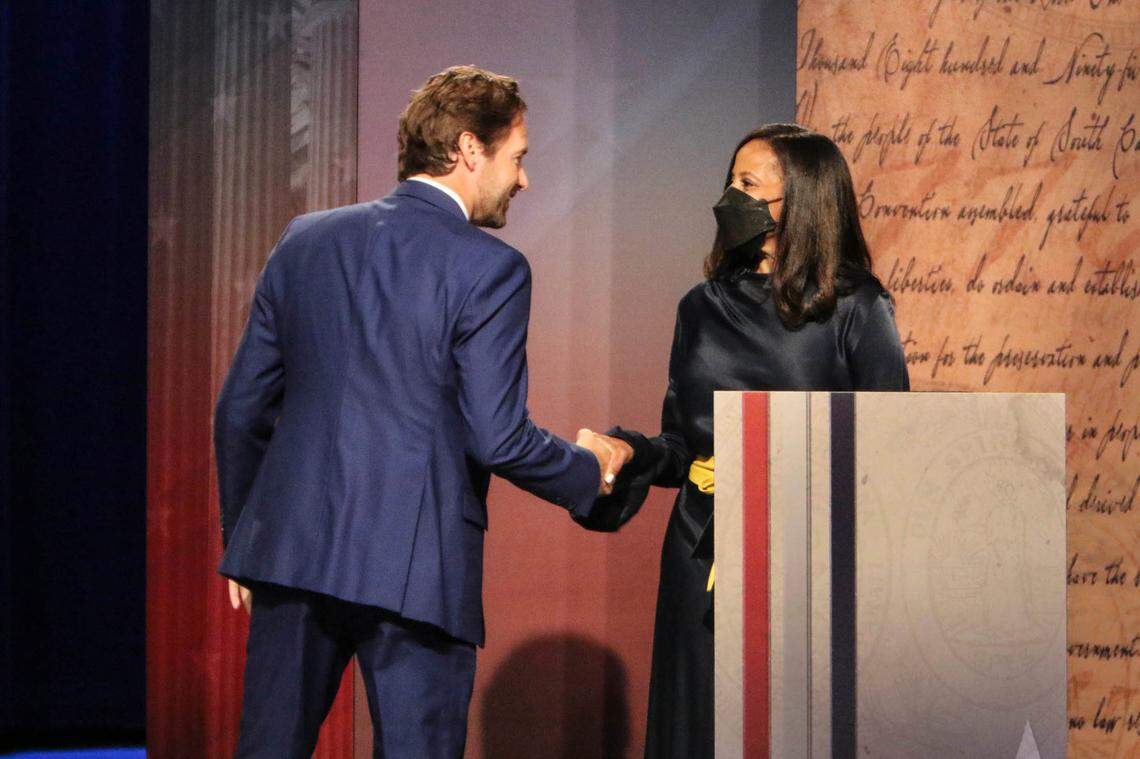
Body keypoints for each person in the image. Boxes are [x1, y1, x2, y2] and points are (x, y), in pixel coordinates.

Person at [214, 65, 630, 758]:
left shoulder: (305, 239)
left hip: (291, 553)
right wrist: (590, 471)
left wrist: (243, 541)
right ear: (469, 149)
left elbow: (239, 411)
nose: (524, 180)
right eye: (517, 157)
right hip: (419, 565)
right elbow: (498, 437)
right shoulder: (491, 268)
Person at [576, 124, 910, 758]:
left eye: (748, 184)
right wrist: (630, 452)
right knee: (702, 722)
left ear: (802, 200)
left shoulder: (857, 307)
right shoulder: (700, 307)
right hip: (701, 549)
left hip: (808, 558)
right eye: (731, 180)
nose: (729, 197)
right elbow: (681, 444)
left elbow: (888, 449)